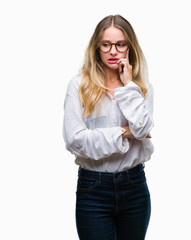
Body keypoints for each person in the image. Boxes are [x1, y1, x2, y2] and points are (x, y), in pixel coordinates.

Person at [63, 14, 154, 240]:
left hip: (135, 187)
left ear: (129, 48)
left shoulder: (141, 88)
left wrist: (128, 86)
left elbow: (141, 130)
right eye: (106, 44)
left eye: (120, 44)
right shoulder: (78, 86)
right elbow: (75, 140)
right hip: (93, 188)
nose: (113, 51)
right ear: (97, 47)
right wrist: (124, 132)